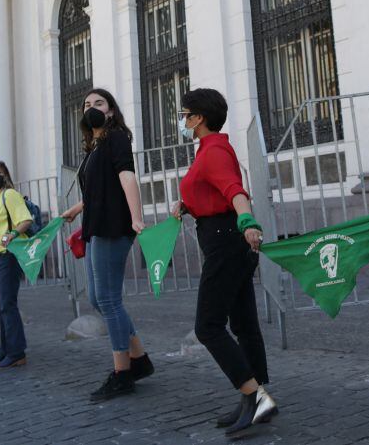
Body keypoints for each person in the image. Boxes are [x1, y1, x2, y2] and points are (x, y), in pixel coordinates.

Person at [172, 88, 277, 435]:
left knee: (208, 327)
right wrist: (189, 204)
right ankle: (258, 396)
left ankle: (254, 395)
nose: (183, 120)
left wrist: (248, 222)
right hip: (223, 238)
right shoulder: (209, 149)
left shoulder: (215, 150)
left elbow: (235, 190)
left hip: (225, 241)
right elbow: (214, 191)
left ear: (199, 118)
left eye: (185, 114)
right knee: (244, 324)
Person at [61, 88, 154, 402]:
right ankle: (139, 360)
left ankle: (122, 373)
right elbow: (99, 190)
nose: (92, 107)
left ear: (111, 111)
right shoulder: (94, 148)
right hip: (95, 227)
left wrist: (136, 218)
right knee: (99, 300)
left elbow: (127, 177)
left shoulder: (116, 138)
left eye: (98, 103)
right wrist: (77, 209)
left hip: (113, 227)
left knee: (109, 300)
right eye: (87, 104)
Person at [0, 160, 34, 369]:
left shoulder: (9, 195)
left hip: (9, 255)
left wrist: (11, 234)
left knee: (7, 304)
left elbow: (25, 220)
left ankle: (16, 352)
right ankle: (6, 348)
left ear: (5, 175)